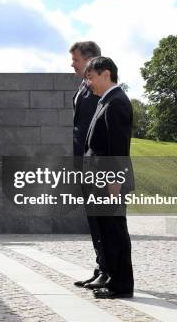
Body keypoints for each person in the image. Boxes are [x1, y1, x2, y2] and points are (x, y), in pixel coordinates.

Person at [84, 56, 135, 299]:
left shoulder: (117, 103)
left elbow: (118, 149)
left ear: (106, 74)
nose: (88, 83)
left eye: (91, 77)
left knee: (115, 233)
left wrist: (115, 183)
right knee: (106, 232)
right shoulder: (105, 101)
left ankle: (121, 285)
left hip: (110, 183)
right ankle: (112, 278)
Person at [69, 41, 108, 290]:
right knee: (94, 221)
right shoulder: (83, 88)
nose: (72, 64)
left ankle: (107, 270)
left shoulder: (99, 91)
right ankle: (101, 267)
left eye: (76, 60)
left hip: (96, 165)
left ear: (90, 60)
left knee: (103, 220)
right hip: (83, 163)